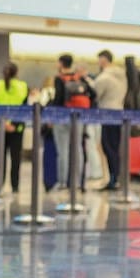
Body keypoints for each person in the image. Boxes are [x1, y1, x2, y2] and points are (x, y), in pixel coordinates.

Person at [50, 53, 93, 190]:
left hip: (62, 117)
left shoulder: (59, 78)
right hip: (78, 117)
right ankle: (77, 182)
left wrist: (51, 115)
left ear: (61, 63)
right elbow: (93, 93)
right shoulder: (79, 77)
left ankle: (62, 182)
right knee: (77, 149)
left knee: (63, 151)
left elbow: (58, 99)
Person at [0, 61, 28, 193]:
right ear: (17, 73)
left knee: (0, 158)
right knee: (16, 158)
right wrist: (14, 125)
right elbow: (24, 109)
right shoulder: (23, 86)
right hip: (17, 128)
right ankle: (15, 187)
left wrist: (3, 124)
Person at [91, 50, 126, 191]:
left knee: (107, 146)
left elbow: (96, 94)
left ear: (104, 60)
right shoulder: (122, 76)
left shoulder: (104, 77)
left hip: (107, 112)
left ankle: (112, 178)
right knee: (114, 146)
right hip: (119, 111)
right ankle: (115, 177)